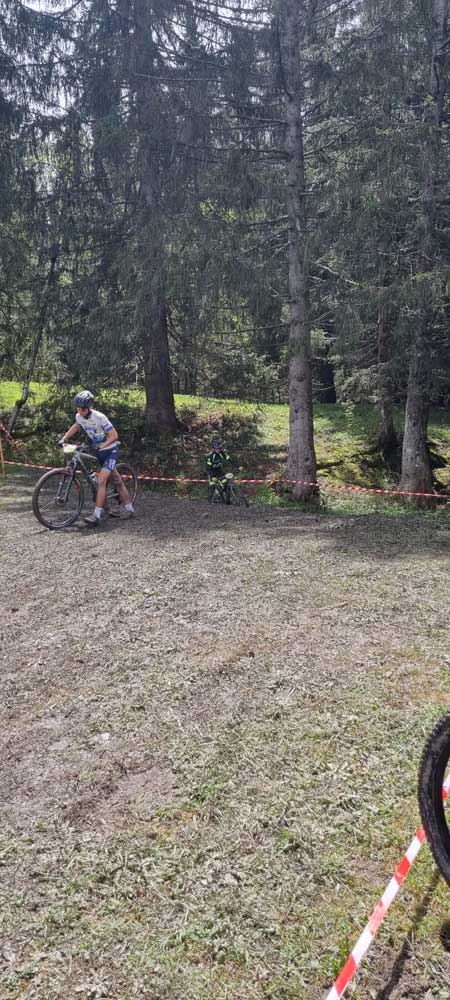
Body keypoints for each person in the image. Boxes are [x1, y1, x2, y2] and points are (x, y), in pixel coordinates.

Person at [59, 390, 135, 527]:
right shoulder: (79, 416)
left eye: (82, 409)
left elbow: (114, 436)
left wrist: (101, 446)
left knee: (101, 481)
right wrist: (64, 438)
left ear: (88, 407)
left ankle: (97, 515)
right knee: (117, 481)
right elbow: (76, 426)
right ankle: (129, 508)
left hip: (110, 451)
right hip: (99, 453)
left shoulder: (100, 417)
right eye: (77, 408)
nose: (80, 411)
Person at [206, 437, 231, 502]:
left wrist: (238, 466)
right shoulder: (211, 456)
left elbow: (230, 460)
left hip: (219, 470)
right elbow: (208, 468)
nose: (218, 450)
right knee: (212, 485)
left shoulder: (222, 453)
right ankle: (209, 501)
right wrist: (212, 477)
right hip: (211, 471)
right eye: (216, 449)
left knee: (225, 483)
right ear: (213, 449)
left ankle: (227, 500)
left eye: (219, 448)